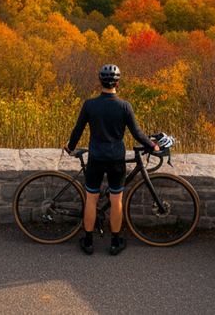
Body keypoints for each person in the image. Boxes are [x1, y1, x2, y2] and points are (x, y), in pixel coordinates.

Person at [64, 63, 159, 256]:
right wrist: (152, 145)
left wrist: (70, 147)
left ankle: (88, 242)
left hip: (96, 159)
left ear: (100, 81)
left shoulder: (90, 105)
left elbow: (77, 130)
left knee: (91, 200)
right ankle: (115, 242)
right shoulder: (124, 106)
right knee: (116, 201)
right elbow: (137, 133)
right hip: (116, 159)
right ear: (117, 82)